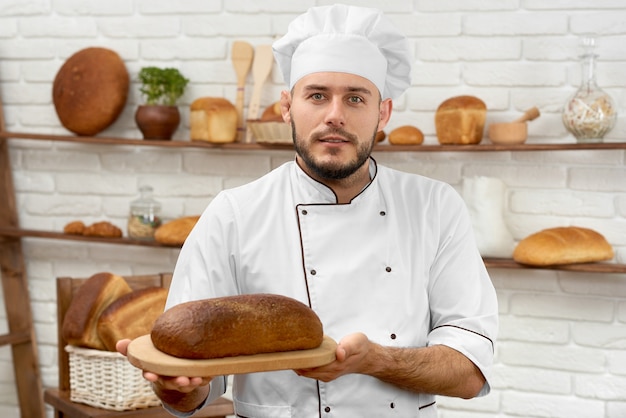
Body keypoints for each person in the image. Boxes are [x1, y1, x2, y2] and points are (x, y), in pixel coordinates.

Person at [118, 4, 498, 417]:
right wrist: (175, 387)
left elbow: (470, 372)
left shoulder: (434, 207)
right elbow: (191, 395)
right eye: (317, 95)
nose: (335, 115)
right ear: (286, 107)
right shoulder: (234, 215)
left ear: (382, 113)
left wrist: (375, 360)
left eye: (355, 98)